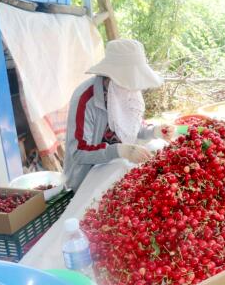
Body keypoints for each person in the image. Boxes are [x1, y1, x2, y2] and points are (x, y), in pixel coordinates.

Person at [64, 39, 174, 191]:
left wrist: (154, 131)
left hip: (116, 170)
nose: (132, 87)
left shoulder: (127, 91)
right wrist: (119, 150)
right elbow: (78, 152)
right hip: (88, 179)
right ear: (111, 75)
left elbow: (133, 126)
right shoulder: (86, 99)